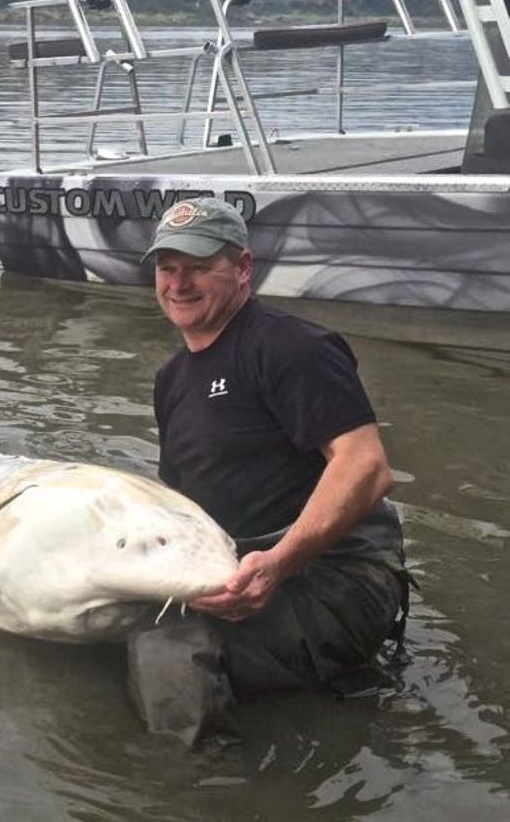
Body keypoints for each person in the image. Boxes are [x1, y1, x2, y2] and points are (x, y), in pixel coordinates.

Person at [129, 197, 410, 747]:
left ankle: (200, 791)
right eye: (168, 268)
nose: (179, 284)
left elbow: (367, 465)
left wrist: (278, 565)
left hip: (336, 576)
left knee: (165, 650)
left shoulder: (290, 347)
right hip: (239, 566)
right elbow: (178, 502)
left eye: (199, 266)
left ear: (242, 269)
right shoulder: (171, 380)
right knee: (108, 619)